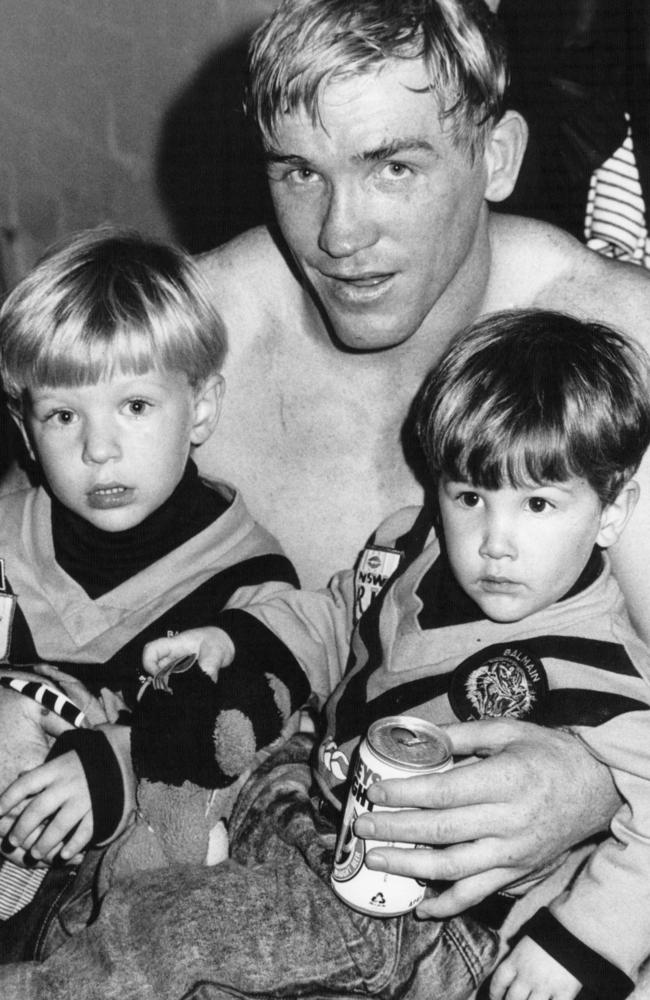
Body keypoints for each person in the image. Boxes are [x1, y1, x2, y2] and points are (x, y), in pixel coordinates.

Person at [0, 0, 643, 982]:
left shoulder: (620, 349)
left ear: (497, 157)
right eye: (299, 171)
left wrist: (594, 779)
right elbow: (27, 600)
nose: (340, 234)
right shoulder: (185, 353)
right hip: (232, 865)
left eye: (394, 165)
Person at [4, 308, 650, 999]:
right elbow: (341, 613)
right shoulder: (413, 549)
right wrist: (236, 637)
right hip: (307, 804)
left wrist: (579, 945)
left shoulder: (597, 663)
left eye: (539, 506)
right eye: (469, 496)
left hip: (408, 911)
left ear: (612, 510)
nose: (495, 539)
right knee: (151, 817)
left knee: (170, 930)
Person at [0, 226, 311, 955]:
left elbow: (254, 729)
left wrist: (128, 755)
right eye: (63, 414)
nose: (98, 448)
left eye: (134, 407)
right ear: (24, 426)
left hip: (119, 900)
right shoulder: (9, 538)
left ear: (200, 407)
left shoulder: (245, 577)